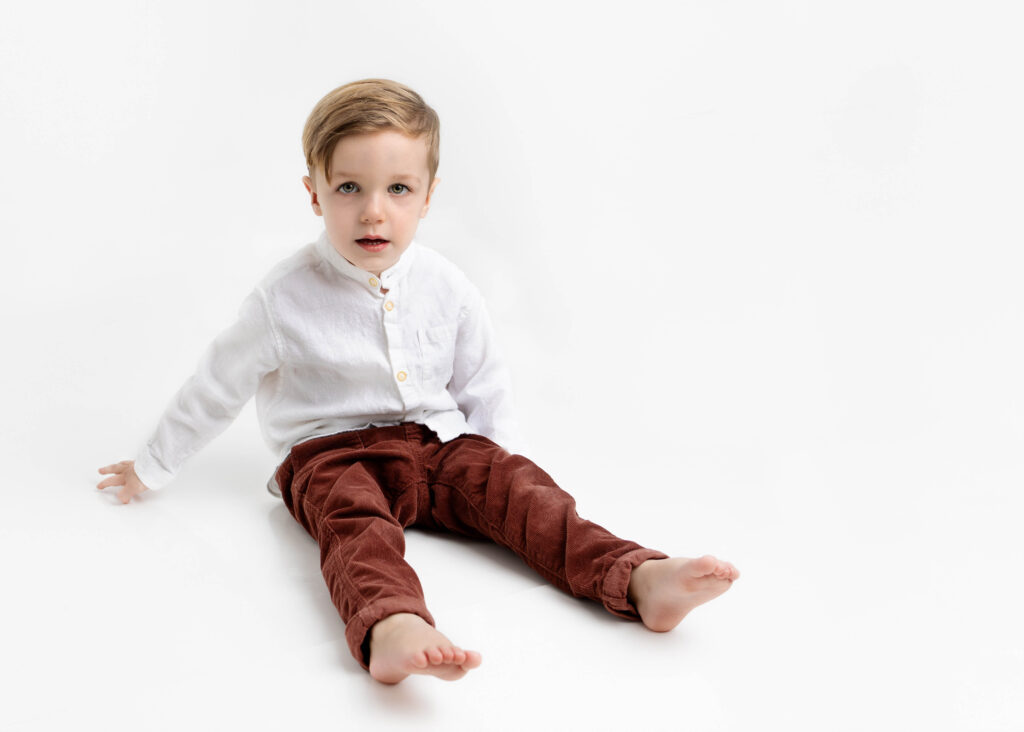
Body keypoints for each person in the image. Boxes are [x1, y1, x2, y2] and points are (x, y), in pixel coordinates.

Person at [97, 79, 740, 685]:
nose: (373, 212)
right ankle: (391, 623)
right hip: (329, 455)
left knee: (529, 496)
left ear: (428, 195)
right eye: (349, 187)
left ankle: (636, 578)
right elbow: (218, 383)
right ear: (315, 193)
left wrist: (499, 462)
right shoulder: (283, 298)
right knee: (355, 525)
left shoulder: (447, 285)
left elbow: (482, 379)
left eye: (398, 190)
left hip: (437, 445)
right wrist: (151, 465)